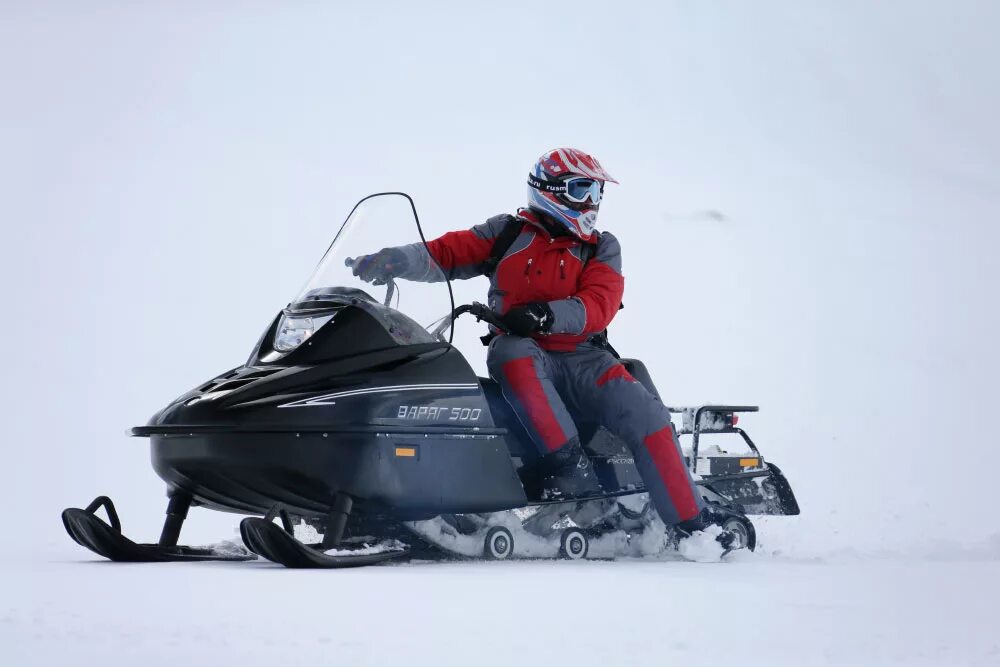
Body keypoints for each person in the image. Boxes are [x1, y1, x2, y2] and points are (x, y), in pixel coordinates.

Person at [349, 147, 746, 551]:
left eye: (596, 191)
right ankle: (570, 469)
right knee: (513, 353)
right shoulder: (507, 233)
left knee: (648, 416)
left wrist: (545, 315)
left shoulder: (600, 247)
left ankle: (696, 527)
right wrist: (393, 259)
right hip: (523, 349)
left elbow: (599, 303)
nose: (592, 201)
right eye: (582, 189)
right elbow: (446, 252)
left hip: (585, 358)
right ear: (549, 190)